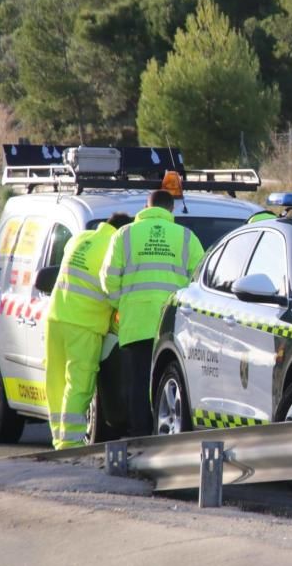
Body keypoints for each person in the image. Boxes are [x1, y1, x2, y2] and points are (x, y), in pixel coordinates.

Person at [101, 190, 204, 437]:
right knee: (169, 379)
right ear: (171, 210)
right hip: (174, 325)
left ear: (145, 207)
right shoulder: (186, 237)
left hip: (136, 322)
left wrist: (122, 304)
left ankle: (140, 436)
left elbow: (108, 280)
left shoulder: (124, 235)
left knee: (138, 383)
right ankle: (167, 433)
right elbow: (198, 279)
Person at [45, 212, 133, 449]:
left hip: (56, 317)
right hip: (84, 323)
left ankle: (58, 438)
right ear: (123, 232)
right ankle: (70, 444)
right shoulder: (115, 247)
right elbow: (115, 289)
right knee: (79, 383)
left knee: (55, 381)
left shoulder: (80, 239)